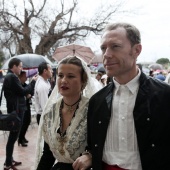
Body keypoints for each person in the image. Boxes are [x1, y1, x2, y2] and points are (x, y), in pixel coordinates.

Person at [73, 22, 170, 170]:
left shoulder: (164, 96)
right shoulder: (97, 101)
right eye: (103, 48)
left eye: (115, 46)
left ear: (136, 50)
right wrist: (89, 155)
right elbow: (93, 144)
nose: (106, 54)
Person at [34, 56, 101, 170]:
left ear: (83, 81)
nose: (64, 80)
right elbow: (48, 155)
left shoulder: (92, 110)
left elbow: (100, 149)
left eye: (70, 76)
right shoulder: (51, 112)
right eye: (60, 75)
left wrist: (90, 156)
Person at [3, 58, 38, 170]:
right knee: (13, 137)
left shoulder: (10, 76)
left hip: (15, 110)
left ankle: (10, 159)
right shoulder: (12, 77)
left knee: (13, 137)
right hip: (16, 111)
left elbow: (19, 91)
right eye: (20, 66)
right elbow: (23, 91)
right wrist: (32, 82)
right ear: (14, 66)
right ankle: (8, 163)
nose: (21, 69)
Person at [18, 71, 33, 147]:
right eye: (24, 76)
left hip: (27, 104)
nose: (26, 77)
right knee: (24, 122)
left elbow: (30, 91)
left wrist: (29, 94)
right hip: (22, 106)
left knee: (28, 121)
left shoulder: (25, 84)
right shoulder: (19, 85)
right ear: (20, 77)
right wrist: (25, 96)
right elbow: (21, 94)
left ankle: (23, 136)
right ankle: (20, 139)